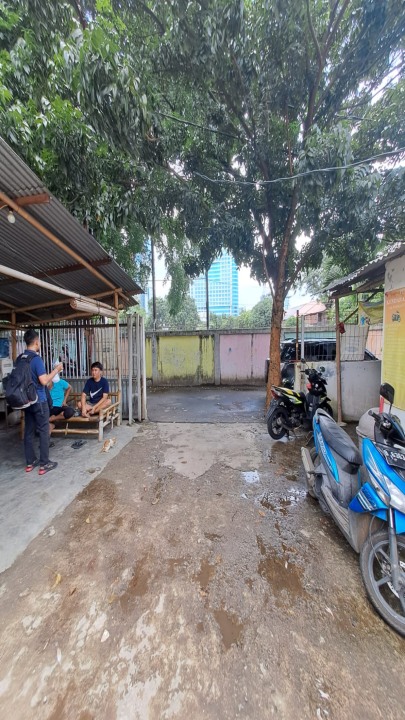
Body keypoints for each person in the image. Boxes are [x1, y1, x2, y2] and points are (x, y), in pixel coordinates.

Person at [22, 328, 63, 475]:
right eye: (39, 341)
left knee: (28, 431)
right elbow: (44, 381)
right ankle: (44, 464)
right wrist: (56, 370)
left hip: (27, 401)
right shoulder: (36, 359)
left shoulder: (20, 359)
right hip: (39, 401)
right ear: (36, 342)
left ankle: (30, 462)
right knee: (44, 431)